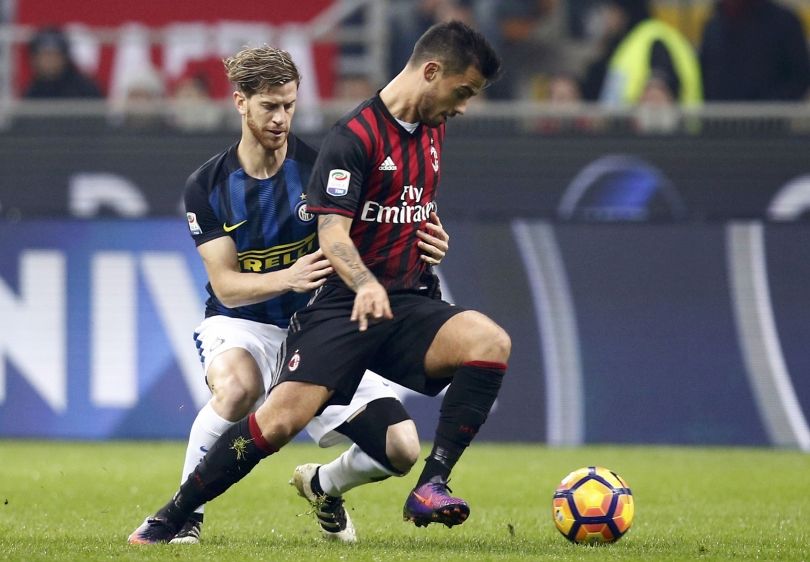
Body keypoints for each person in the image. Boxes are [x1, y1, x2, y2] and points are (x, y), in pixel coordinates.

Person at [128, 20, 510, 544]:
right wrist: (292, 276)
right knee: (240, 390)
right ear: (240, 103)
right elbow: (228, 286)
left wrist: (426, 233)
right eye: (269, 106)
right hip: (244, 323)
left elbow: (375, 219)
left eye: (289, 105)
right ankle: (183, 514)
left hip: (315, 317)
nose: (281, 118)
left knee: (401, 448)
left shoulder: (318, 163)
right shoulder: (209, 185)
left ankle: (325, 486)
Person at [580, 0, 702, 108]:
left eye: (612, 11)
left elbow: (659, 92)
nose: (607, 19)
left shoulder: (652, 37)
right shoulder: (629, 42)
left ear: (624, 13)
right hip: (626, 124)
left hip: (653, 125)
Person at [699, 0, 810, 101]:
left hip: (773, 115)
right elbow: (705, 76)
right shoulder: (713, 27)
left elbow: (800, 77)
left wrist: (770, 107)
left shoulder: (784, 23)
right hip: (718, 114)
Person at [24, 26, 103, 99]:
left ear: (64, 57)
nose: (49, 60)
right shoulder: (31, 93)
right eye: (43, 55)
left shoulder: (85, 90)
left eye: (54, 54)